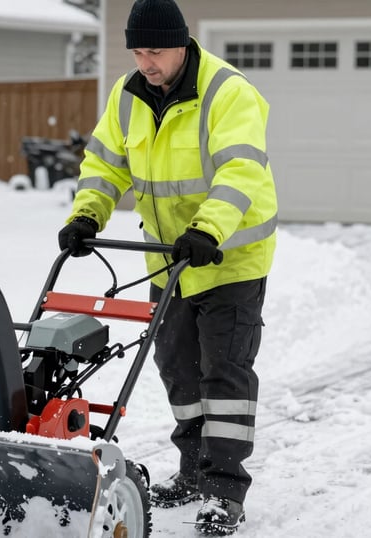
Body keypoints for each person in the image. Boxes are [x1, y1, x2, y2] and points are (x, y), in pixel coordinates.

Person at [57, 0, 277, 535]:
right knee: (178, 369)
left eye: (154, 51)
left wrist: (209, 229)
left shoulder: (228, 93)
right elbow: (105, 162)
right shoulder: (129, 94)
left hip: (229, 258)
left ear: (181, 44)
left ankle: (224, 491)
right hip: (168, 262)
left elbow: (241, 172)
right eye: (137, 51)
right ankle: (192, 470)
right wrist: (88, 214)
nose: (145, 62)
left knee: (223, 374)